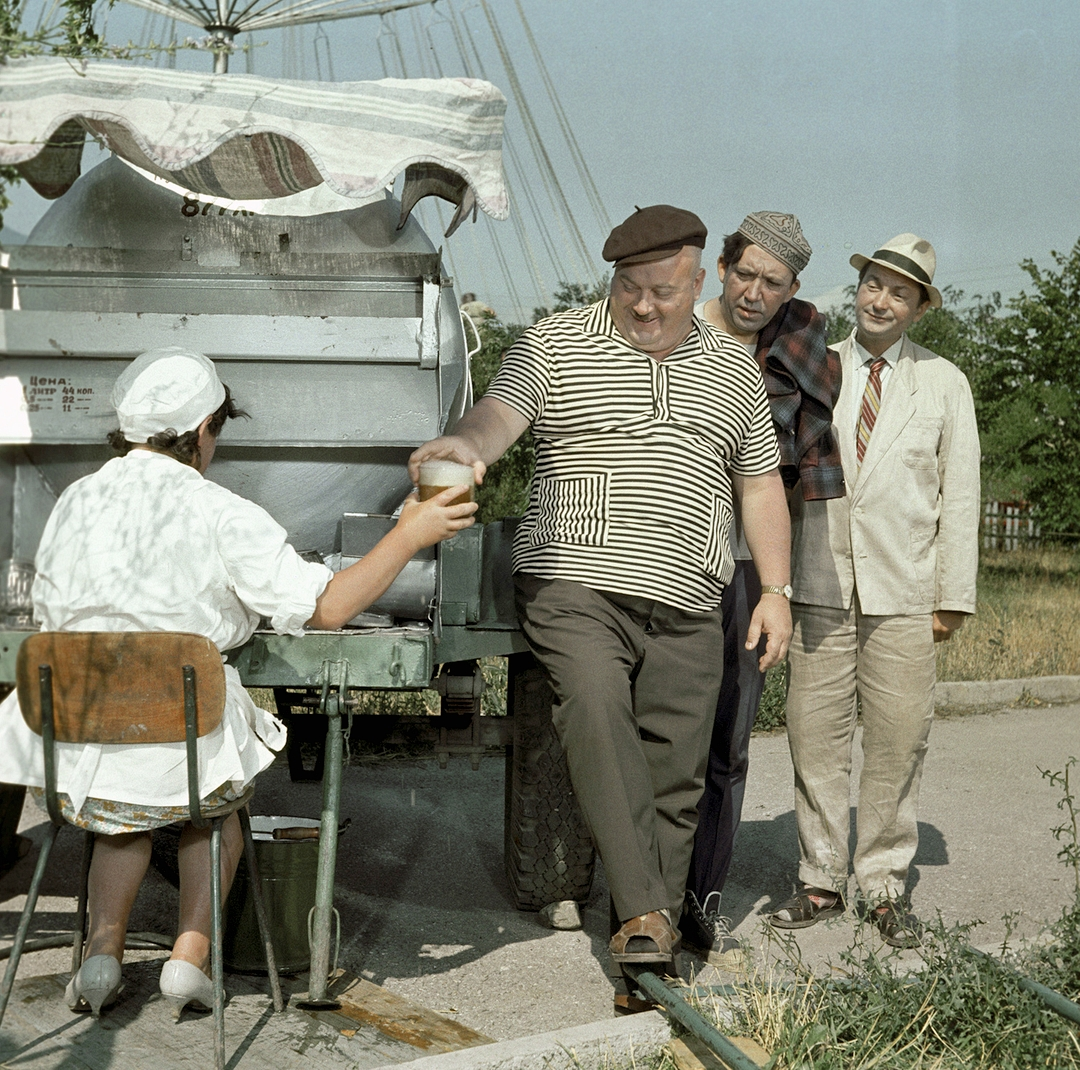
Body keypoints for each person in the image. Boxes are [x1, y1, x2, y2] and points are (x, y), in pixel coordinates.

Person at [0, 346, 475, 1018]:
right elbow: (328, 609)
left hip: (79, 734)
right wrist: (407, 530)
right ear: (202, 432)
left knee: (120, 824)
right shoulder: (219, 510)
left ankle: (100, 961)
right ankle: (187, 962)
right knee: (214, 816)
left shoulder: (76, 500)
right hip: (181, 730)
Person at [409, 205, 793, 1012]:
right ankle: (649, 916)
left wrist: (778, 594)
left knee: (676, 776)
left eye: (662, 291)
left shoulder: (733, 370)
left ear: (699, 281)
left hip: (692, 595)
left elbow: (759, 484)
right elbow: (497, 417)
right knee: (593, 711)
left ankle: (641, 964)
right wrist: (467, 448)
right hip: (575, 584)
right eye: (629, 289)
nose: (644, 306)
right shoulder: (554, 343)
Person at [770, 234, 980, 947]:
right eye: (873, 285)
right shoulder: (815, 366)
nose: (881, 300)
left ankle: (885, 883)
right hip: (818, 580)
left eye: (900, 291)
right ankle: (821, 879)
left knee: (897, 740)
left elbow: (960, 497)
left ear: (919, 307)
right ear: (856, 289)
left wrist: (952, 596)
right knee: (814, 736)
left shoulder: (944, 382)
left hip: (906, 590)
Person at [684, 212, 843, 968]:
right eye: (744, 274)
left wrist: (776, 583)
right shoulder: (676, 330)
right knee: (652, 730)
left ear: (792, 290)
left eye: (771, 283)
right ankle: (631, 887)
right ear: (721, 268)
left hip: (747, 564)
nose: (753, 292)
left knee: (729, 739)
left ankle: (700, 900)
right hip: (665, 556)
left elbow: (788, 473)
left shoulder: (791, 352)